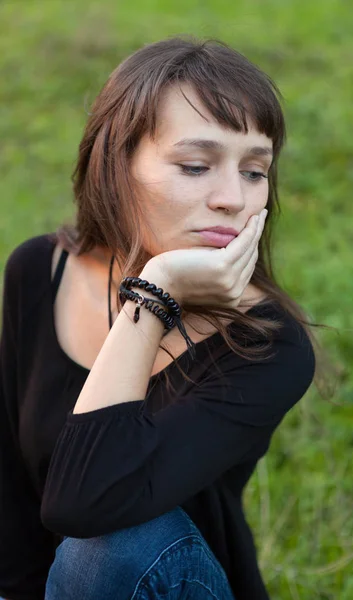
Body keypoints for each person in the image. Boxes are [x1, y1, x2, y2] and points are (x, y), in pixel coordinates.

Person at [0, 36, 324, 600]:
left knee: (111, 541)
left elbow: (88, 501)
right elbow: (9, 487)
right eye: (196, 165)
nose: (232, 197)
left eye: (254, 171)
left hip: (172, 583)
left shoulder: (267, 345)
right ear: (115, 163)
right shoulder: (39, 271)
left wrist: (155, 296)